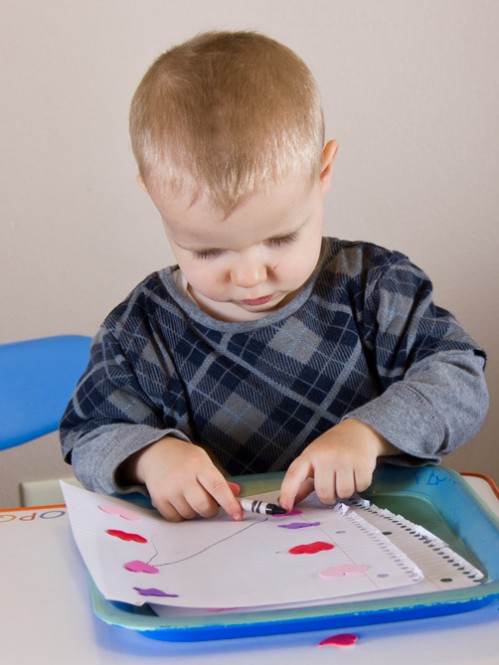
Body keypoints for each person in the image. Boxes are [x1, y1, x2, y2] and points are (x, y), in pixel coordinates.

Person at [60, 30, 488, 522]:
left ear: (322, 173)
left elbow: (460, 379)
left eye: (281, 239)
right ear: (154, 195)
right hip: (216, 563)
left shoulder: (376, 286)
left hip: (381, 536)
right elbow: (88, 434)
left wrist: (369, 433)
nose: (249, 276)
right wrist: (149, 457)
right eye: (208, 249)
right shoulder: (140, 330)